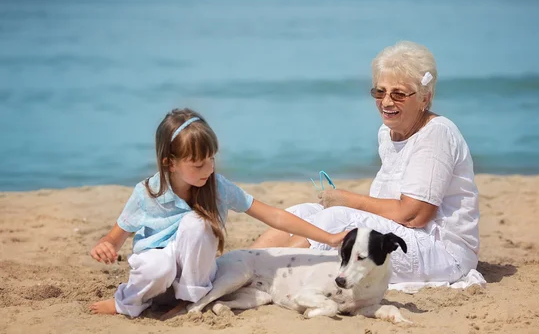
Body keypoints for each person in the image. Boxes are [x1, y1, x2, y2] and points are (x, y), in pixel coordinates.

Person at [252, 41, 480, 285]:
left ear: (425, 98)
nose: (386, 102)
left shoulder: (436, 134)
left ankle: (272, 279)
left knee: (336, 217)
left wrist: (348, 200)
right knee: (303, 213)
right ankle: (246, 264)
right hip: (400, 234)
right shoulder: (387, 133)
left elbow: (414, 215)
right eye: (379, 92)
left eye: (399, 94)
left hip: (441, 253)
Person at [89, 108, 347, 317]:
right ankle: (127, 302)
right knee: (159, 264)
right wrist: (106, 245)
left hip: (197, 279)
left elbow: (273, 216)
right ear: (170, 163)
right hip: (154, 279)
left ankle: (190, 300)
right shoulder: (147, 193)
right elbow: (116, 236)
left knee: (197, 223)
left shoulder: (218, 188)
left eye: (212, 159)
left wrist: (330, 238)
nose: (209, 169)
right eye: (199, 164)